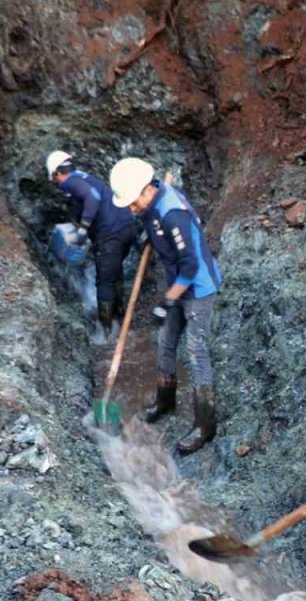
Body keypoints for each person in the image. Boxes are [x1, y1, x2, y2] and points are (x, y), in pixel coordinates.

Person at [109, 157, 224, 456]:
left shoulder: (173, 213)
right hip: (178, 284)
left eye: (134, 203)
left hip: (197, 288)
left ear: (148, 190)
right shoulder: (151, 204)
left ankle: (205, 425)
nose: (132, 209)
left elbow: (190, 264)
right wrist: (150, 232)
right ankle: (165, 400)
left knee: (196, 351)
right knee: (166, 341)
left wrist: (169, 299)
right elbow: (155, 226)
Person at [46, 151, 139, 334]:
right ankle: (119, 321)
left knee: (104, 282)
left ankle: (105, 332)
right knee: (114, 274)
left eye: (53, 177)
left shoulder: (70, 182)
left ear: (57, 173)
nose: (55, 182)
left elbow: (93, 198)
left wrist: (83, 227)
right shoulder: (85, 177)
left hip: (111, 234)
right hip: (127, 227)